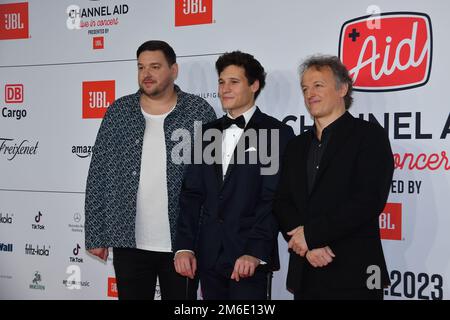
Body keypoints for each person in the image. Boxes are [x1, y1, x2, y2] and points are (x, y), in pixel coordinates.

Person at [84, 40, 217, 300]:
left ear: (174, 70)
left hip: (182, 244)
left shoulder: (199, 112)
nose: (146, 74)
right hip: (128, 242)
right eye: (141, 67)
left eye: (155, 66)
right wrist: (96, 233)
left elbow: (212, 181)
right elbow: (98, 174)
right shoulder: (119, 112)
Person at [174, 51, 295, 300]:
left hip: (248, 259)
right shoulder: (207, 133)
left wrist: (255, 251)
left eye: (234, 82)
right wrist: (184, 246)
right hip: (207, 257)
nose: (225, 89)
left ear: (254, 85)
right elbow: (192, 194)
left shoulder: (276, 133)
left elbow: (272, 198)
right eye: (221, 82)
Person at [273, 55, 394, 300]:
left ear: (342, 88)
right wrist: (306, 247)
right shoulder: (296, 146)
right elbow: (281, 201)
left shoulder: (369, 136)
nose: (310, 94)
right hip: (306, 270)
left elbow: (368, 200)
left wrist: (311, 236)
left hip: (356, 273)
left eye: (318, 85)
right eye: (305, 88)